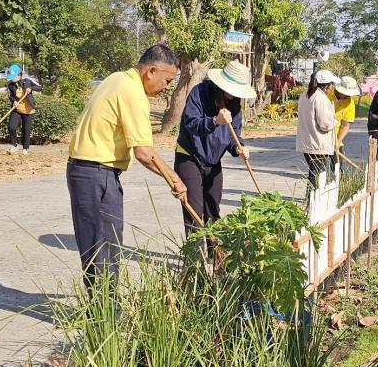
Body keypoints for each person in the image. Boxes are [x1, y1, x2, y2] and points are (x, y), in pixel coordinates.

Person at [65, 45, 187, 286]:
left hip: (93, 171)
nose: (166, 88)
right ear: (151, 70)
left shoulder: (117, 78)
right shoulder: (132, 91)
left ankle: (106, 312)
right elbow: (144, 152)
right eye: (167, 81)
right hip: (94, 173)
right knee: (100, 251)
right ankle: (104, 317)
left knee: (106, 247)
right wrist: (175, 179)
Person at [174, 60, 257, 239]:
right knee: (194, 213)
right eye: (232, 90)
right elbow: (190, 124)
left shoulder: (234, 105)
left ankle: (215, 258)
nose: (234, 95)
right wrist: (214, 121)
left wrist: (239, 148)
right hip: (190, 156)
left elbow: (232, 135)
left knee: (213, 210)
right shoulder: (200, 93)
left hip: (212, 161)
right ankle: (195, 263)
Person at [296, 69, 338, 189]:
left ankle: (310, 199)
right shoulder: (320, 98)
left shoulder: (305, 96)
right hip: (317, 142)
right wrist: (334, 121)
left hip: (306, 140)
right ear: (327, 85)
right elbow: (324, 124)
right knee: (317, 174)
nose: (331, 88)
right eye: (331, 85)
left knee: (314, 171)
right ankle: (312, 200)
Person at [5, 64, 41, 155]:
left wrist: (31, 88)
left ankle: (25, 148)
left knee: (26, 130)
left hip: (28, 111)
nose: (11, 79)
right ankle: (14, 145)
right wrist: (13, 101)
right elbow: (11, 96)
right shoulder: (10, 85)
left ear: (19, 75)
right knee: (11, 127)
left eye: (13, 77)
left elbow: (40, 87)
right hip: (17, 109)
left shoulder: (27, 81)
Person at [332, 75, 361, 169]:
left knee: (337, 168)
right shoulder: (328, 94)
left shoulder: (350, 103)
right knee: (320, 168)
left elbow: (345, 125)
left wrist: (338, 142)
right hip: (321, 139)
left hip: (336, 139)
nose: (348, 96)